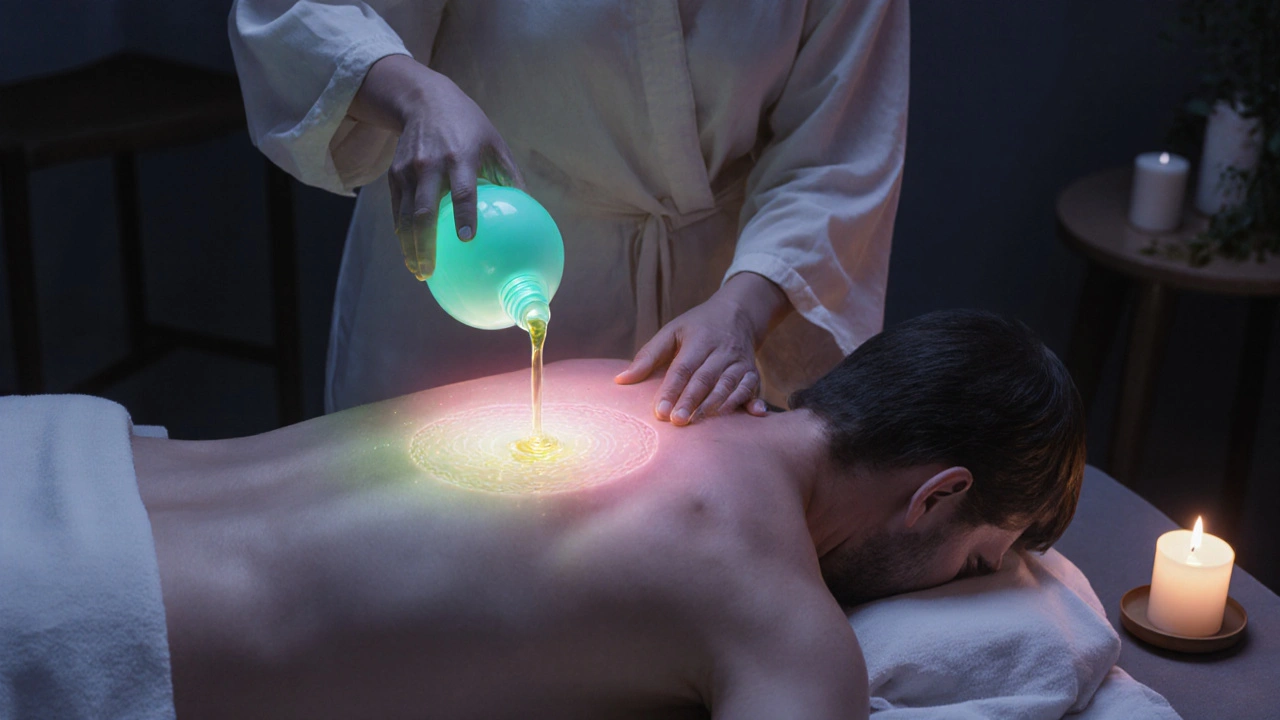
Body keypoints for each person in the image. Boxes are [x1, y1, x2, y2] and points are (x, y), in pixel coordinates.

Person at [131, 310, 1085, 719]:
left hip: (76, 463)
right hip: (84, 637)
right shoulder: (784, 624)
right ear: (939, 495)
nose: (957, 589)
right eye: (973, 564)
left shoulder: (625, 378)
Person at [228, 0, 910, 423]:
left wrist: (740, 310)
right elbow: (298, 10)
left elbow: (837, 151)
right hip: (475, 251)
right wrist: (413, 93)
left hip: (712, 319)